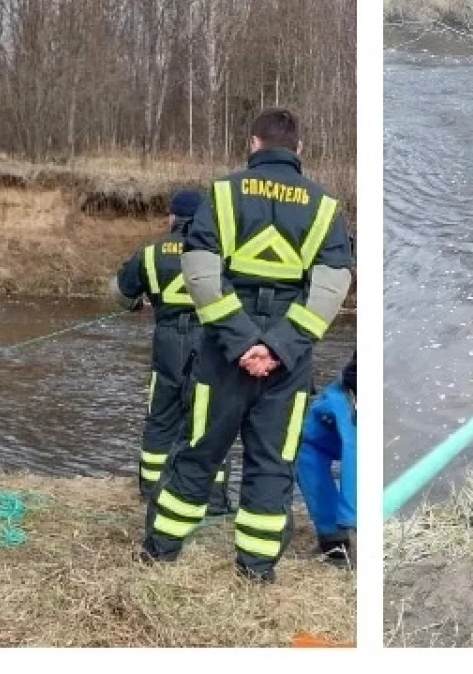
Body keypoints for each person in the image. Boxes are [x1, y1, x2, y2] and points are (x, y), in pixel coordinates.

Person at [142, 108, 354, 583]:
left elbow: (198, 269)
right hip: (289, 358)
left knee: (198, 452)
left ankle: (160, 554)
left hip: (221, 349)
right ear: (298, 150)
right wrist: (278, 347)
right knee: (273, 464)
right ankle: (256, 572)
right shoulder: (324, 207)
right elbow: (331, 287)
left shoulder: (221, 193)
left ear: (254, 144)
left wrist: (240, 342)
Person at [111, 189, 232, 513]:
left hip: (167, 342)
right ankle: (215, 501)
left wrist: (139, 303)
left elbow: (121, 294)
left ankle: (152, 490)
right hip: (210, 341)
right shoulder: (220, 253)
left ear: (173, 217)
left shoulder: (150, 254)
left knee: (161, 418)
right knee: (210, 420)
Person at [297, 350, 356, 567]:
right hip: (345, 391)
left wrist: (350, 517)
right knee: (305, 448)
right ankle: (333, 541)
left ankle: (343, 529)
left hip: (352, 390)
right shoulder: (338, 400)